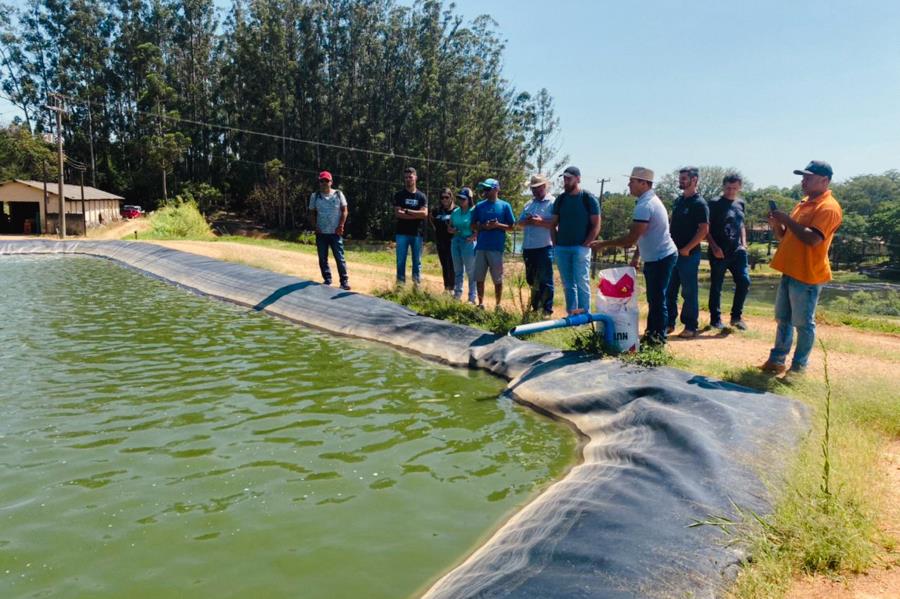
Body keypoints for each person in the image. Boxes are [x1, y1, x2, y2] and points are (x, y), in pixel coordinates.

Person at [760, 161, 842, 375]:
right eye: (803, 177)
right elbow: (786, 237)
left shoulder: (829, 207)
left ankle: (798, 368)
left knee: (803, 324)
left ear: (824, 180)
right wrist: (777, 225)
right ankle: (777, 360)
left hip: (808, 274)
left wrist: (787, 218)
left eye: (808, 177)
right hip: (790, 270)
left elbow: (812, 239)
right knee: (783, 318)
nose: (803, 181)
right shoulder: (804, 202)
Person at [592, 167, 677, 345]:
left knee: (657, 298)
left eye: (632, 181)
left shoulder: (645, 205)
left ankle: (658, 339)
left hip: (661, 257)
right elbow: (644, 235)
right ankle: (652, 333)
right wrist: (637, 256)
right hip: (658, 256)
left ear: (643, 183)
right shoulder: (648, 201)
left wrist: (603, 243)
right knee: (654, 297)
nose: (628, 184)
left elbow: (630, 239)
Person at [549, 166, 601, 314]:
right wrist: (555, 244)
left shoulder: (588, 199)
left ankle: (585, 316)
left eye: (568, 178)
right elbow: (553, 224)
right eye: (564, 179)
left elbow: (596, 225)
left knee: (581, 282)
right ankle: (572, 314)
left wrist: (586, 245)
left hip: (581, 248)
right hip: (562, 248)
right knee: (567, 284)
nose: (565, 182)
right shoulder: (560, 199)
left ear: (578, 179)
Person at [665, 166, 709, 338]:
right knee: (670, 290)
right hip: (673, 253)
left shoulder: (699, 204)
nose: (681, 181)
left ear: (694, 180)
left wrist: (687, 248)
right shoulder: (678, 201)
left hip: (689, 255)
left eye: (684, 178)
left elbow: (704, 230)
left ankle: (690, 326)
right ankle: (669, 323)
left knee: (689, 292)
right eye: (680, 178)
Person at [707, 173, 751, 330]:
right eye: (728, 188)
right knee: (716, 285)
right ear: (723, 186)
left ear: (739, 187)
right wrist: (714, 247)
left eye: (734, 188)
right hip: (719, 251)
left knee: (744, 282)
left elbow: (741, 225)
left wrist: (744, 244)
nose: (731, 191)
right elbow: (705, 228)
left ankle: (736, 317)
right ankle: (715, 319)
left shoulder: (740, 203)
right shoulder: (714, 203)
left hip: (737, 252)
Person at [471, 178, 515, 309]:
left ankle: (498, 304)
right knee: (479, 277)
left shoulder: (505, 206)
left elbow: (512, 226)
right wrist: (484, 226)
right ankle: (480, 304)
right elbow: (473, 225)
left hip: (496, 248)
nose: (485, 191)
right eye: (484, 189)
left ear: (496, 189)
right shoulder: (479, 206)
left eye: (487, 189)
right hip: (481, 247)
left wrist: (497, 225)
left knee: (498, 279)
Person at [518, 174, 556, 315]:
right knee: (531, 279)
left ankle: (546, 310)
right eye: (533, 189)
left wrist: (540, 222)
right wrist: (527, 221)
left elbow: (556, 224)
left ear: (545, 186)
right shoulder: (529, 204)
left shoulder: (552, 203)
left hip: (544, 246)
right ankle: (536, 308)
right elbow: (519, 223)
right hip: (528, 247)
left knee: (545, 279)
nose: (535, 191)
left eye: (538, 188)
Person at [308, 170, 350, 290]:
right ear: (319, 182)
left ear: (331, 182)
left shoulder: (338, 194)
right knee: (322, 258)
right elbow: (311, 213)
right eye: (322, 181)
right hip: (321, 233)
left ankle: (344, 282)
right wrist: (315, 226)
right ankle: (327, 279)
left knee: (339, 257)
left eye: (326, 180)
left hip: (335, 232)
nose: (324, 183)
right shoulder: (314, 196)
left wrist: (341, 225)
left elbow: (344, 210)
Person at [393, 166, 428, 285]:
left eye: (410, 177)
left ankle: (416, 287)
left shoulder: (421, 196)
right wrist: (415, 214)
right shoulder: (399, 195)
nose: (408, 179)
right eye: (406, 177)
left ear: (415, 178)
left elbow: (424, 214)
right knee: (401, 261)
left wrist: (407, 211)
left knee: (416, 262)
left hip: (417, 234)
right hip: (402, 233)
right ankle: (400, 286)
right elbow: (398, 214)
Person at [447, 187, 477, 303]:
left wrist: (475, 236)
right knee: (458, 270)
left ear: (469, 199)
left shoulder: (474, 212)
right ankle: (457, 295)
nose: (461, 201)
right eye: (459, 198)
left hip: (468, 242)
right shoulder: (455, 212)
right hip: (456, 241)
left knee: (471, 271)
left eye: (463, 199)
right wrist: (451, 230)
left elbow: (479, 226)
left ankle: (472, 298)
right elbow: (450, 226)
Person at [430, 188, 456, 292]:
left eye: (447, 197)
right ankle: (446, 288)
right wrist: (434, 227)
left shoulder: (456, 210)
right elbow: (431, 219)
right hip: (441, 242)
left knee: (452, 266)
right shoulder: (437, 211)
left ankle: (453, 288)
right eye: (442, 197)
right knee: (444, 266)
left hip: (453, 242)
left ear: (451, 197)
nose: (444, 199)